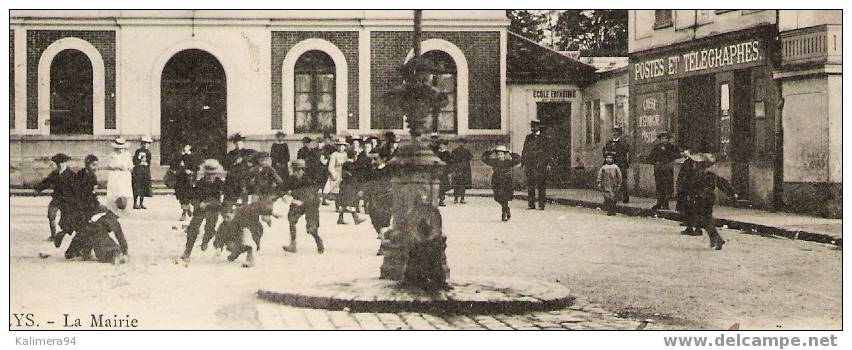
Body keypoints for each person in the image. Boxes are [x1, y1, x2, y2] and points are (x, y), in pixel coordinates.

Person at [689, 153, 738, 250]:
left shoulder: (703, 175)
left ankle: (718, 239)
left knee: (704, 221)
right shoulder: (705, 174)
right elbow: (723, 183)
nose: (693, 165)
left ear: (700, 165)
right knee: (707, 220)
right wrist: (732, 193)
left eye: (695, 163)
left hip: (703, 199)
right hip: (707, 199)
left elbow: (721, 183)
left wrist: (732, 194)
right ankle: (713, 241)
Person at [181, 159, 226, 260]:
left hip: (213, 209)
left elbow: (220, 200)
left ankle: (205, 241)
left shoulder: (219, 183)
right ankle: (188, 250)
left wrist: (209, 203)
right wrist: (198, 204)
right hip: (200, 210)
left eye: (213, 174)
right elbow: (194, 197)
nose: (210, 177)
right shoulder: (200, 183)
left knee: (210, 230)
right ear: (205, 173)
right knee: (193, 229)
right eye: (208, 174)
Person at [282, 159, 325, 254]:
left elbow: (312, 192)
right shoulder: (291, 178)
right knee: (291, 220)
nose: (298, 172)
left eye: (300, 170)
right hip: (300, 202)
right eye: (297, 170)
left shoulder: (309, 179)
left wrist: (290, 193)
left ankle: (318, 241)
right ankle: (293, 244)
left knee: (311, 228)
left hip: (310, 203)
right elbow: (284, 188)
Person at [34, 153, 76, 241]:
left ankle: (64, 235)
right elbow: (46, 182)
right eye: (58, 163)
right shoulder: (55, 173)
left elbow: (77, 188)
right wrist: (38, 190)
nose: (60, 165)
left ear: (65, 163)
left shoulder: (72, 175)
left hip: (67, 201)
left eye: (62, 162)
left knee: (66, 220)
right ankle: (53, 235)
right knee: (51, 215)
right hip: (56, 199)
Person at [481, 146, 521, 222]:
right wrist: (489, 152)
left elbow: (518, 159)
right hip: (496, 182)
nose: (500, 156)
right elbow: (484, 159)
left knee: (504, 198)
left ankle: (504, 213)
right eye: (498, 154)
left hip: (506, 182)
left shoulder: (508, 162)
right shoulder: (494, 162)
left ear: (505, 155)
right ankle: (507, 209)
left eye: (501, 154)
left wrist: (511, 153)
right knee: (497, 198)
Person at [647, 132, 679, 211]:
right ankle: (659, 203)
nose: (664, 140)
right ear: (660, 139)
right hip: (659, 169)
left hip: (667, 169)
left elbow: (677, 155)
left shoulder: (672, 147)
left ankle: (665, 203)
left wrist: (670, 160)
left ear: (668, 139)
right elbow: (650, 157)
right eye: (662, 138)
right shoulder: (656, 147)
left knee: (667, 186)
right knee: (659, 186)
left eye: (666, 138)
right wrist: (655, 162)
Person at [521, 120, 549, 210]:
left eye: (534, 127)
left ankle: (541, 204)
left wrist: (547, 163)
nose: (532, 129)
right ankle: (531, 204)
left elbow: (548, 152)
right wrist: (523, 162)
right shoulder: (528, 137)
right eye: (531, 127)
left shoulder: (544, 138)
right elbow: (524, 150)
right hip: (530, 164)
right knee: (531, 184)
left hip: (541, 165)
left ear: (538, 127)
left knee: (541, 185)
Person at [336, 147, 367, 225]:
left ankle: (340, 218)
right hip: (350, 185)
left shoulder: (345, 164)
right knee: (351, 202)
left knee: (344, 203)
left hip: (344, 185)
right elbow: (354, 176)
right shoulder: (353, 165)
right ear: (354, 156)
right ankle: (356, 218)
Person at [675, 149, 702, 236]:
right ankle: (693, 228)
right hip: (692, 188)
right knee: (691, 208)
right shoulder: (695, 162)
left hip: (691, 188)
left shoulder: (692, 163)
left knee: (691, 208)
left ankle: (694, 228)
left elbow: (684, 175)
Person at [603, 127, 631, 203]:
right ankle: (612, 198)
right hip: (610, 164)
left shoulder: (623, 142)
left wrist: (614, 154)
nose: (615, 134)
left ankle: (625, 197)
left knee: (622, 181)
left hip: (620, 164)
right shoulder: (609, 142)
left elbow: (624, 151)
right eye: (613, 132)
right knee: (610, 181)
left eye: (616, 132)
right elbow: (605, 151)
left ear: (620, 133)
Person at [106, 138, 134, 212]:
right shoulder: (112, 155)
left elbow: (131, 166)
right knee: (115, 191)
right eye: (118, 148)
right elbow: (109, 166)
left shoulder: (127, 155)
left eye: (121, 148)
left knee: (124, 191)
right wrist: (117, 167)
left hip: (124, 175)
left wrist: (127, 169)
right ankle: (114, 208)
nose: (120, 150)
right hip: (115, 174)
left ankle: (124, 207)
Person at [172, 144, 198, 221]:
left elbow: (196, 167)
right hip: (179, 178)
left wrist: (191, 171)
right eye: (184, 147)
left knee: (186, 196)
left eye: (187, 146)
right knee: (180, 196)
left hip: (188, 179)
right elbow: (173, 165)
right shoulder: (179, 156)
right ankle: (187, 208)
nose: (185, 148)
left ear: (190, 147)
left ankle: (184, 212)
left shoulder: (193, 156)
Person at [325, 138, 348, 209]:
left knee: (344, 191)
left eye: (343, 145)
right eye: (339, 145)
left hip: (344, 174)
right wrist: (333, 174)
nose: (341, 147)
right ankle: (338, 206)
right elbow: (330, 167)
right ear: (337, 146)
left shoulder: (346, 154)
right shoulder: (334, 155)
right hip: (336, 174)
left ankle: (344, 206)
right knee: (337, 192)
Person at [597, 152, 623, 216]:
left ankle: (613, 210)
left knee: (613, 197)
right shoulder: (603, 167)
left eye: (610, 158)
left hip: (613, 184)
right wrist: (599, 182)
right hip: (606, 184)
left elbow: (619, 176)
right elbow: (600, 175)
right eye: (607, 158)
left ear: (613, 159)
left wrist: (619, 183)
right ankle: (609, 210)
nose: (608, 159)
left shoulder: (615, 167)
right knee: (607, 197)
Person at [132, 135, 153, 209]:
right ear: (141, 144)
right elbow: (135, 161)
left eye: (147, 144)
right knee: (137, 186)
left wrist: (147, 170)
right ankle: (135, 203)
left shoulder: (148, 153)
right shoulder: (138, 151)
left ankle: (141, 203)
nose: (146, 145)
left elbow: (149, 162)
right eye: (144, 143)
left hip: (145, 171)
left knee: (144, 187)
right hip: (138, 171)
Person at [451, 138, 473, 204]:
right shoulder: (455, 151)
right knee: (456, 184)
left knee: (463, 185)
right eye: (459, 142)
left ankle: (462, 198)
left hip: (464, 170)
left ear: (464, 144)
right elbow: (452, 160)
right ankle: (455, 198)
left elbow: (470, 157)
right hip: (457, 170)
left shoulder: (466, 151)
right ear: (458, 143)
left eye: (462, 143)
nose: (461, 144)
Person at [435, 140, 454, 206]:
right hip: (437, 172)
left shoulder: (448, 154)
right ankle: (434, 199)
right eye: (441, 144)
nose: (442, 146)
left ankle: (441, 200)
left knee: (443, 186)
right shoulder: (436, 153)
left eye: (444, 145)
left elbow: (451, 163)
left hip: (444, 172)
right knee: (436, 186)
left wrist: (449, 171)